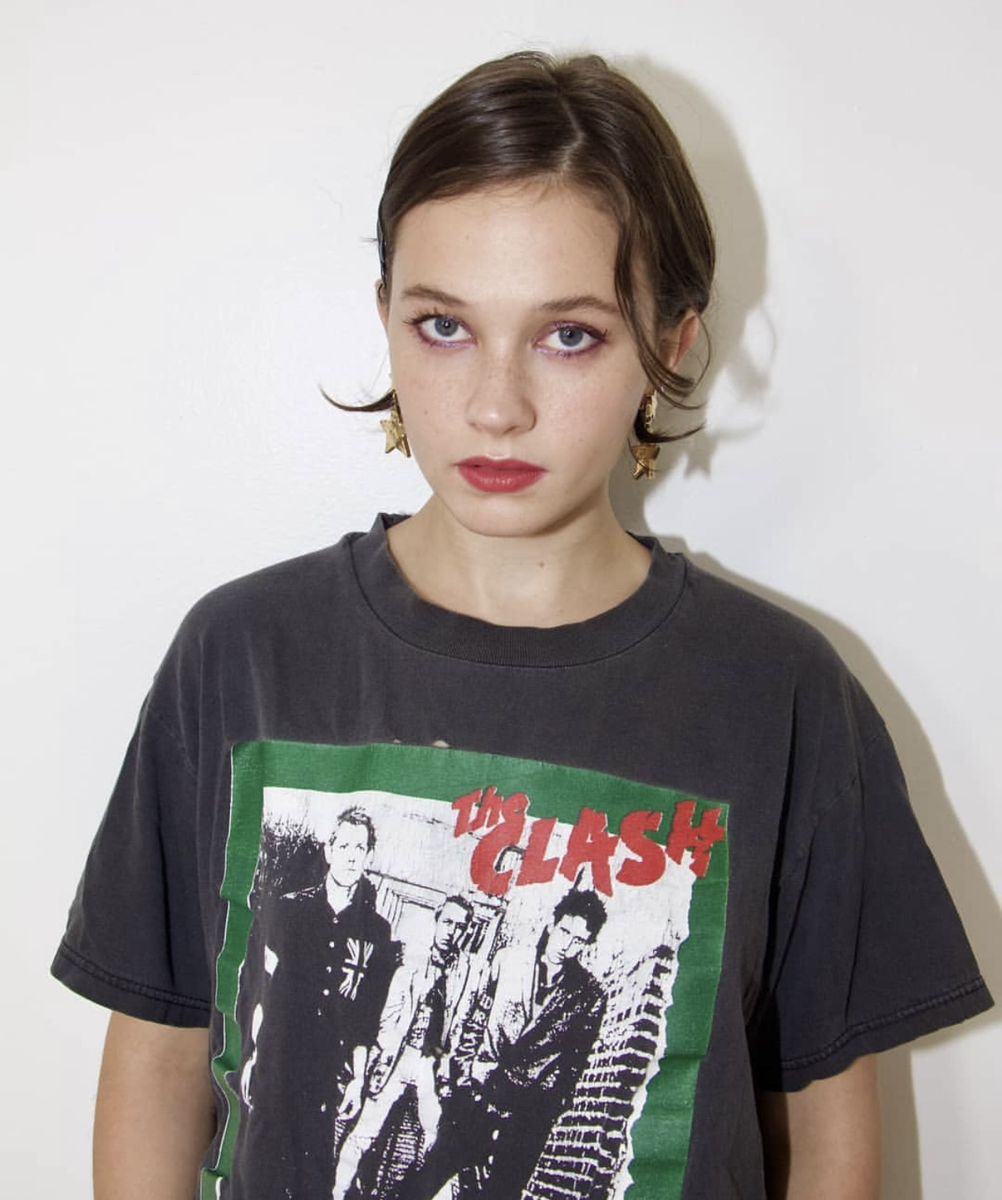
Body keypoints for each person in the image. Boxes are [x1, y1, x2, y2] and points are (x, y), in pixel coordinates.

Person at [51, 48, 992, 1200]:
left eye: (569, 335)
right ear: (386, 317)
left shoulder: (781, 693)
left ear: (671, 345)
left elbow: (829, 1127)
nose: (496, 405)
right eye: (445, 326)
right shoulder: (242, 654)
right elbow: (158, 1061)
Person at [398, 889, 608, 1200]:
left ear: (587, 944)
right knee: (424, 1182)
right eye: (564, 932)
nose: (566, 946)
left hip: (525, 1120)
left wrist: (539, 1114)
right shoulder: (509, 960)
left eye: (579, 940)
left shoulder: (589, 996)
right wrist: (464, 1082)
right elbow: (473, 1025)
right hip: (475, 1097)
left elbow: (571, 1067)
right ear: (552, 924)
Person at [233, 807, 396, 1196]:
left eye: (360, 848)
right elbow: (262, 992)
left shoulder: (376, 932)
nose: (351, 856)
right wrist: (253, 1055)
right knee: (262, 1173)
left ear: (369, 855)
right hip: (278, 1060)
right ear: (329, 850)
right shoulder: (290, 909)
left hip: (326, 1075)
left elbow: (366, 1018)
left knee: (313, 1181)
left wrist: (358, 1080)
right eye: (345, 846)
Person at [330, 894, 477, 1200]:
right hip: (398, 1055)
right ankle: (337, 1192)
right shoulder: (411, 960)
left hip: (430, 1062)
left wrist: (443, 1069)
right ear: (437, 921)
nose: (451, 931)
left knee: (436, 1136)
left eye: (460, 927)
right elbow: (388, 1017)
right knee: (365, 1133)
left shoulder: (464, 973)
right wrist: (381, 1060)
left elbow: (458, 1024)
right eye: (447, 922)